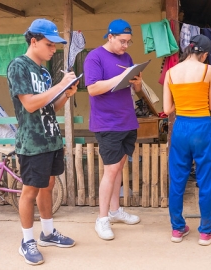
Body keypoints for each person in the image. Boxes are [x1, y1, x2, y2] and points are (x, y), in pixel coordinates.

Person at [7, 18, 78, 265]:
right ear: (34, 41)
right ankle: (27, 241)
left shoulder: (45, 72)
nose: (53, 49)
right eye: (49, 44)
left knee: (47, 187)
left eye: (55, 45)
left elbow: (49, 107)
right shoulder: (19, 66)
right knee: (29, 192)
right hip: (32, 142)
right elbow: (29, 104)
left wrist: (66, 94)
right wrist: (60, 85)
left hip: (51, 139)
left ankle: (47, 233)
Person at [84, 19, 142, 241]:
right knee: (110, 170)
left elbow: (133, 88)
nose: (126, 46)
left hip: (127, 119)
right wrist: (119, 77)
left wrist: (136, 82)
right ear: (110, 37)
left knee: (118, 168)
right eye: (122, 41)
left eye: (128, 41)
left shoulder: (126, 57)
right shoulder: (94, 57)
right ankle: (102, 219)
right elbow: (93, 88)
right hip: (107, 123)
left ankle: (116, 211)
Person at [163, 34, 211, 246]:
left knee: (178, 179)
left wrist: (182, 100)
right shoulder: (208, 70)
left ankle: (177, 229)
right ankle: (206, 232)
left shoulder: (170, 73)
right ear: (204, 54)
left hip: (181, 128)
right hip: (202, 127)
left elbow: (167, 109)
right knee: (205, 180)